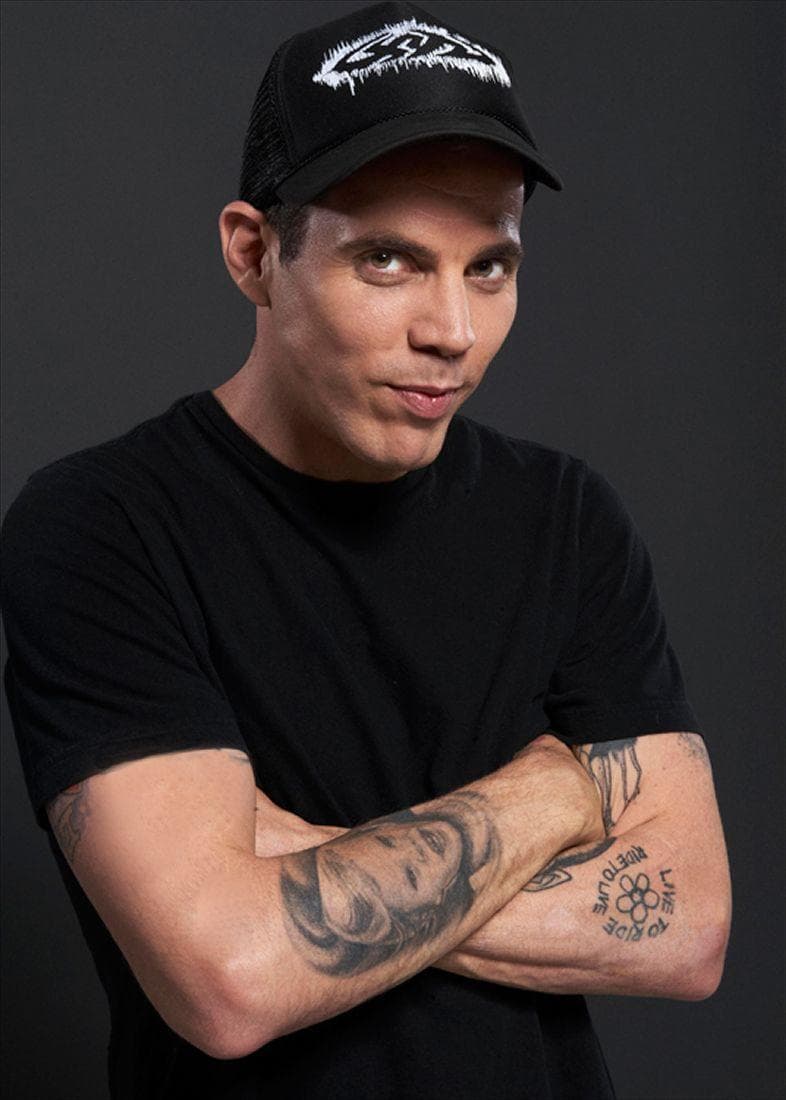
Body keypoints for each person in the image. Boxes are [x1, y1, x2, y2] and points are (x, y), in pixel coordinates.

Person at [1, 2, 731, 1098]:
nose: (453, 331)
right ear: (255, 254)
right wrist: (549, 800)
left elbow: (687, 928)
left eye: (491, 266)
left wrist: (297, 869)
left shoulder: (567, 518)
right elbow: (228, 977)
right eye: (389, 259)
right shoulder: (100, 525)